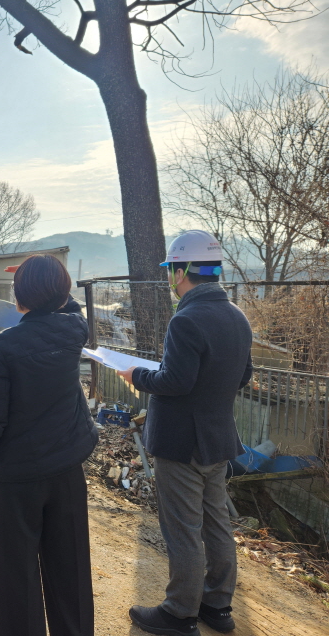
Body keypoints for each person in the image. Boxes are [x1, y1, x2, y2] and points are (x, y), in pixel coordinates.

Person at [117, 230, 253, 636]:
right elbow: (242, 376)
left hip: (181, 444)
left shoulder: (187, 319)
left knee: (183, 531)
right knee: (216, 526)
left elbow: (175, 381)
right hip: (217, 442)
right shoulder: (237, 317)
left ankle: (179, 613)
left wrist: (136, 374)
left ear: (180, 272)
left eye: (172, 272)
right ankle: (218, 606)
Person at [0, 254, 98, 636]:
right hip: (66, 466)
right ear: (63, 292)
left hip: (17, 476)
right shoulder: (75, 328)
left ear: (19, 297)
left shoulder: (4, 346)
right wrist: (48, 282)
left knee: (16, 575)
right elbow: (66, 303)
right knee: (70, 566)